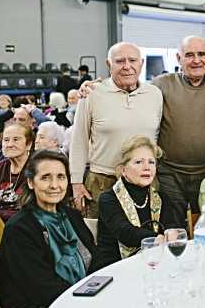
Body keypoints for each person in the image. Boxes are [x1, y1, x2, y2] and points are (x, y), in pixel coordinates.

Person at [0, 150, 96, 308]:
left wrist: (96, 290)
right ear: (30, 182)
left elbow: (96, 256)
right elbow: (41, 287)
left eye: (61, 177)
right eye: (45, 177)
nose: (55, 185)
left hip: (81, 297)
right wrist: (86, 301)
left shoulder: (72, 216)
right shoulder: (19, 229)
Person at [70, 42, 163, 218]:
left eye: (133, 60)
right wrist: (76, 182)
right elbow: (79, 140)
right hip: (102, 182)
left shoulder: (155, 94)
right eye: (120, 61)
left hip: (144, 182)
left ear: (141, 63)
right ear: (108, 64)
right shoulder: (91, 93)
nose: (127, 66)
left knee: (145, 237)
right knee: (101, 239)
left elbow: (156, 137)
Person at [151, 36, 205, 228]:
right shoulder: (160, 85)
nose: (196, 60)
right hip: (169, 172)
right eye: (189, 55)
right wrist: (94, 87)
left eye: (201, 54)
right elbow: (131, 93)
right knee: (173, 228)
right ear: (179, 58)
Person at [96, 136, 172, 268]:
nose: (146, 167)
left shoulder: (161, 198)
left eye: (151, 162)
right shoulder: (108, 199)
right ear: (123, 170)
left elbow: (171, 228)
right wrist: (157, 238)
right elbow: (125, 232)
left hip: (152, 265)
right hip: (112, 269)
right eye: (138, 162)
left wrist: (171, 234)